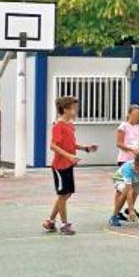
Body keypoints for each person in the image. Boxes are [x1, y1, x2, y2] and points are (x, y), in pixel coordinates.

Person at [43, 96, 97, 235]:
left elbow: (70, 144)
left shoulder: (70, 125)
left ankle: (50, 221)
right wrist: (69, 156)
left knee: (66, 194)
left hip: (68, 165)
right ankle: (64, 224)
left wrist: (85, 148)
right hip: (59, 166)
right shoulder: (58, 126)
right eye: (73, 108)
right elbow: (53, 146)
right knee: (63, 194)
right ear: (65, 109)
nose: (76, 110)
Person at [109, 152, 139, 226]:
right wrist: (131, 210)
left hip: (134, 180)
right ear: (136, 164)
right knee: (126, 192)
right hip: (120, 180)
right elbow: (129, 191)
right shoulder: (128, 169)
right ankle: (114, 216)